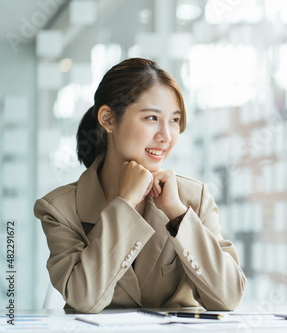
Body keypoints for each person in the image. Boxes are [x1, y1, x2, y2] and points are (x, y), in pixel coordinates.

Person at [33, 58, 246, 314]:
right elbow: (84, 298)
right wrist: (124, 205)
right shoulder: (60, 209)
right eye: (152, 118)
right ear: (108, 119)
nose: (166, 136)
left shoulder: (192, 198)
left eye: (174, 121)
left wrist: (178, 216)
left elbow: (230, 297)